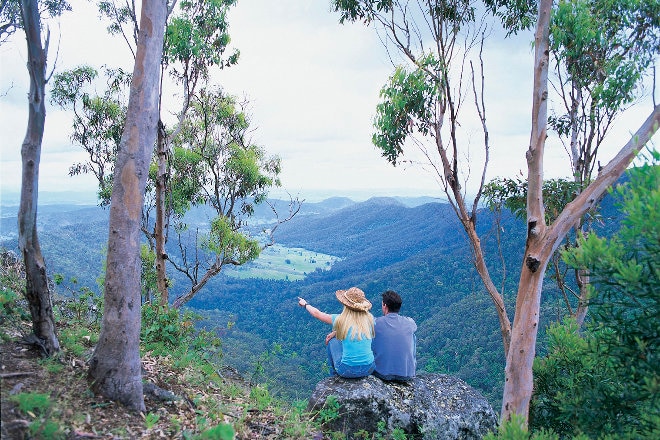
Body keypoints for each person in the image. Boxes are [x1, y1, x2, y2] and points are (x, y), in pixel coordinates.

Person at [298, 287, 375, 378]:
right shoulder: (370, 319)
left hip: (347, 371)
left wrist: (305, 304)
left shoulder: (340, 320)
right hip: (369, 368)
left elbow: (317, 314)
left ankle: (334, 378)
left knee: (332, 342)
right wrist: (336, 332)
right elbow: (355, 329)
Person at [371, 290, 417, 381]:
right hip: (407, 374)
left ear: (384, 305)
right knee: (412, 336)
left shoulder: (376, 323)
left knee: (372, 336)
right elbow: (414, 327)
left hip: (382, 373)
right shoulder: (410, 322)